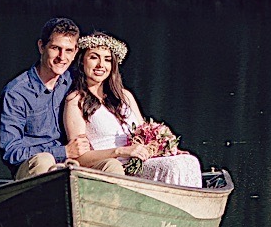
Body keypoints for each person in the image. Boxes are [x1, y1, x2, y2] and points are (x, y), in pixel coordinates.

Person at [61, 31, 203, 188]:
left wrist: (165, 146)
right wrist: (121, 151)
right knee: (173, 167)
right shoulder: (76, 100)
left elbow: (145, 132)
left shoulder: (124, 96)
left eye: (107, 60)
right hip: (115, 166)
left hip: (141, 161)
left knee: (188, 161)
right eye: (94, 57)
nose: (101, 65)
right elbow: (80, 158)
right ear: (82, 62)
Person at [0, 17, 86, 180]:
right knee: (44, 160)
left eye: (68, 50)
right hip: (33, 170)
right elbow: (11, 152)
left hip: (72, 165)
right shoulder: (16, 92)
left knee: (110, 165)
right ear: (41, 46)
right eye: (55, 48)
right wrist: (63, 151)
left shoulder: (75, 81)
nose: (62, 57)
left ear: (75, 52)